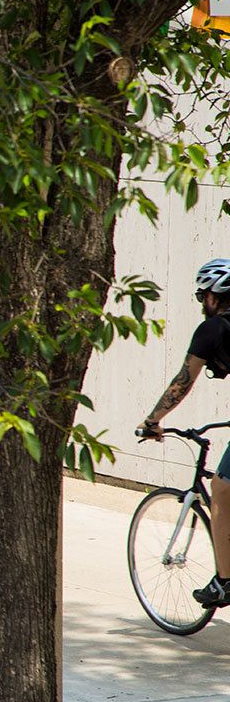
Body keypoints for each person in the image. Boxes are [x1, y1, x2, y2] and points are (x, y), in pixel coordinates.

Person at [140, 258, 230, 608]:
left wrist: (152, 421)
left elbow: (183, 380)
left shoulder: (214, 329)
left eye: (202, 294)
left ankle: (224, 582)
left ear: (215, 294)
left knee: (221, 487)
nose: (200, 302)